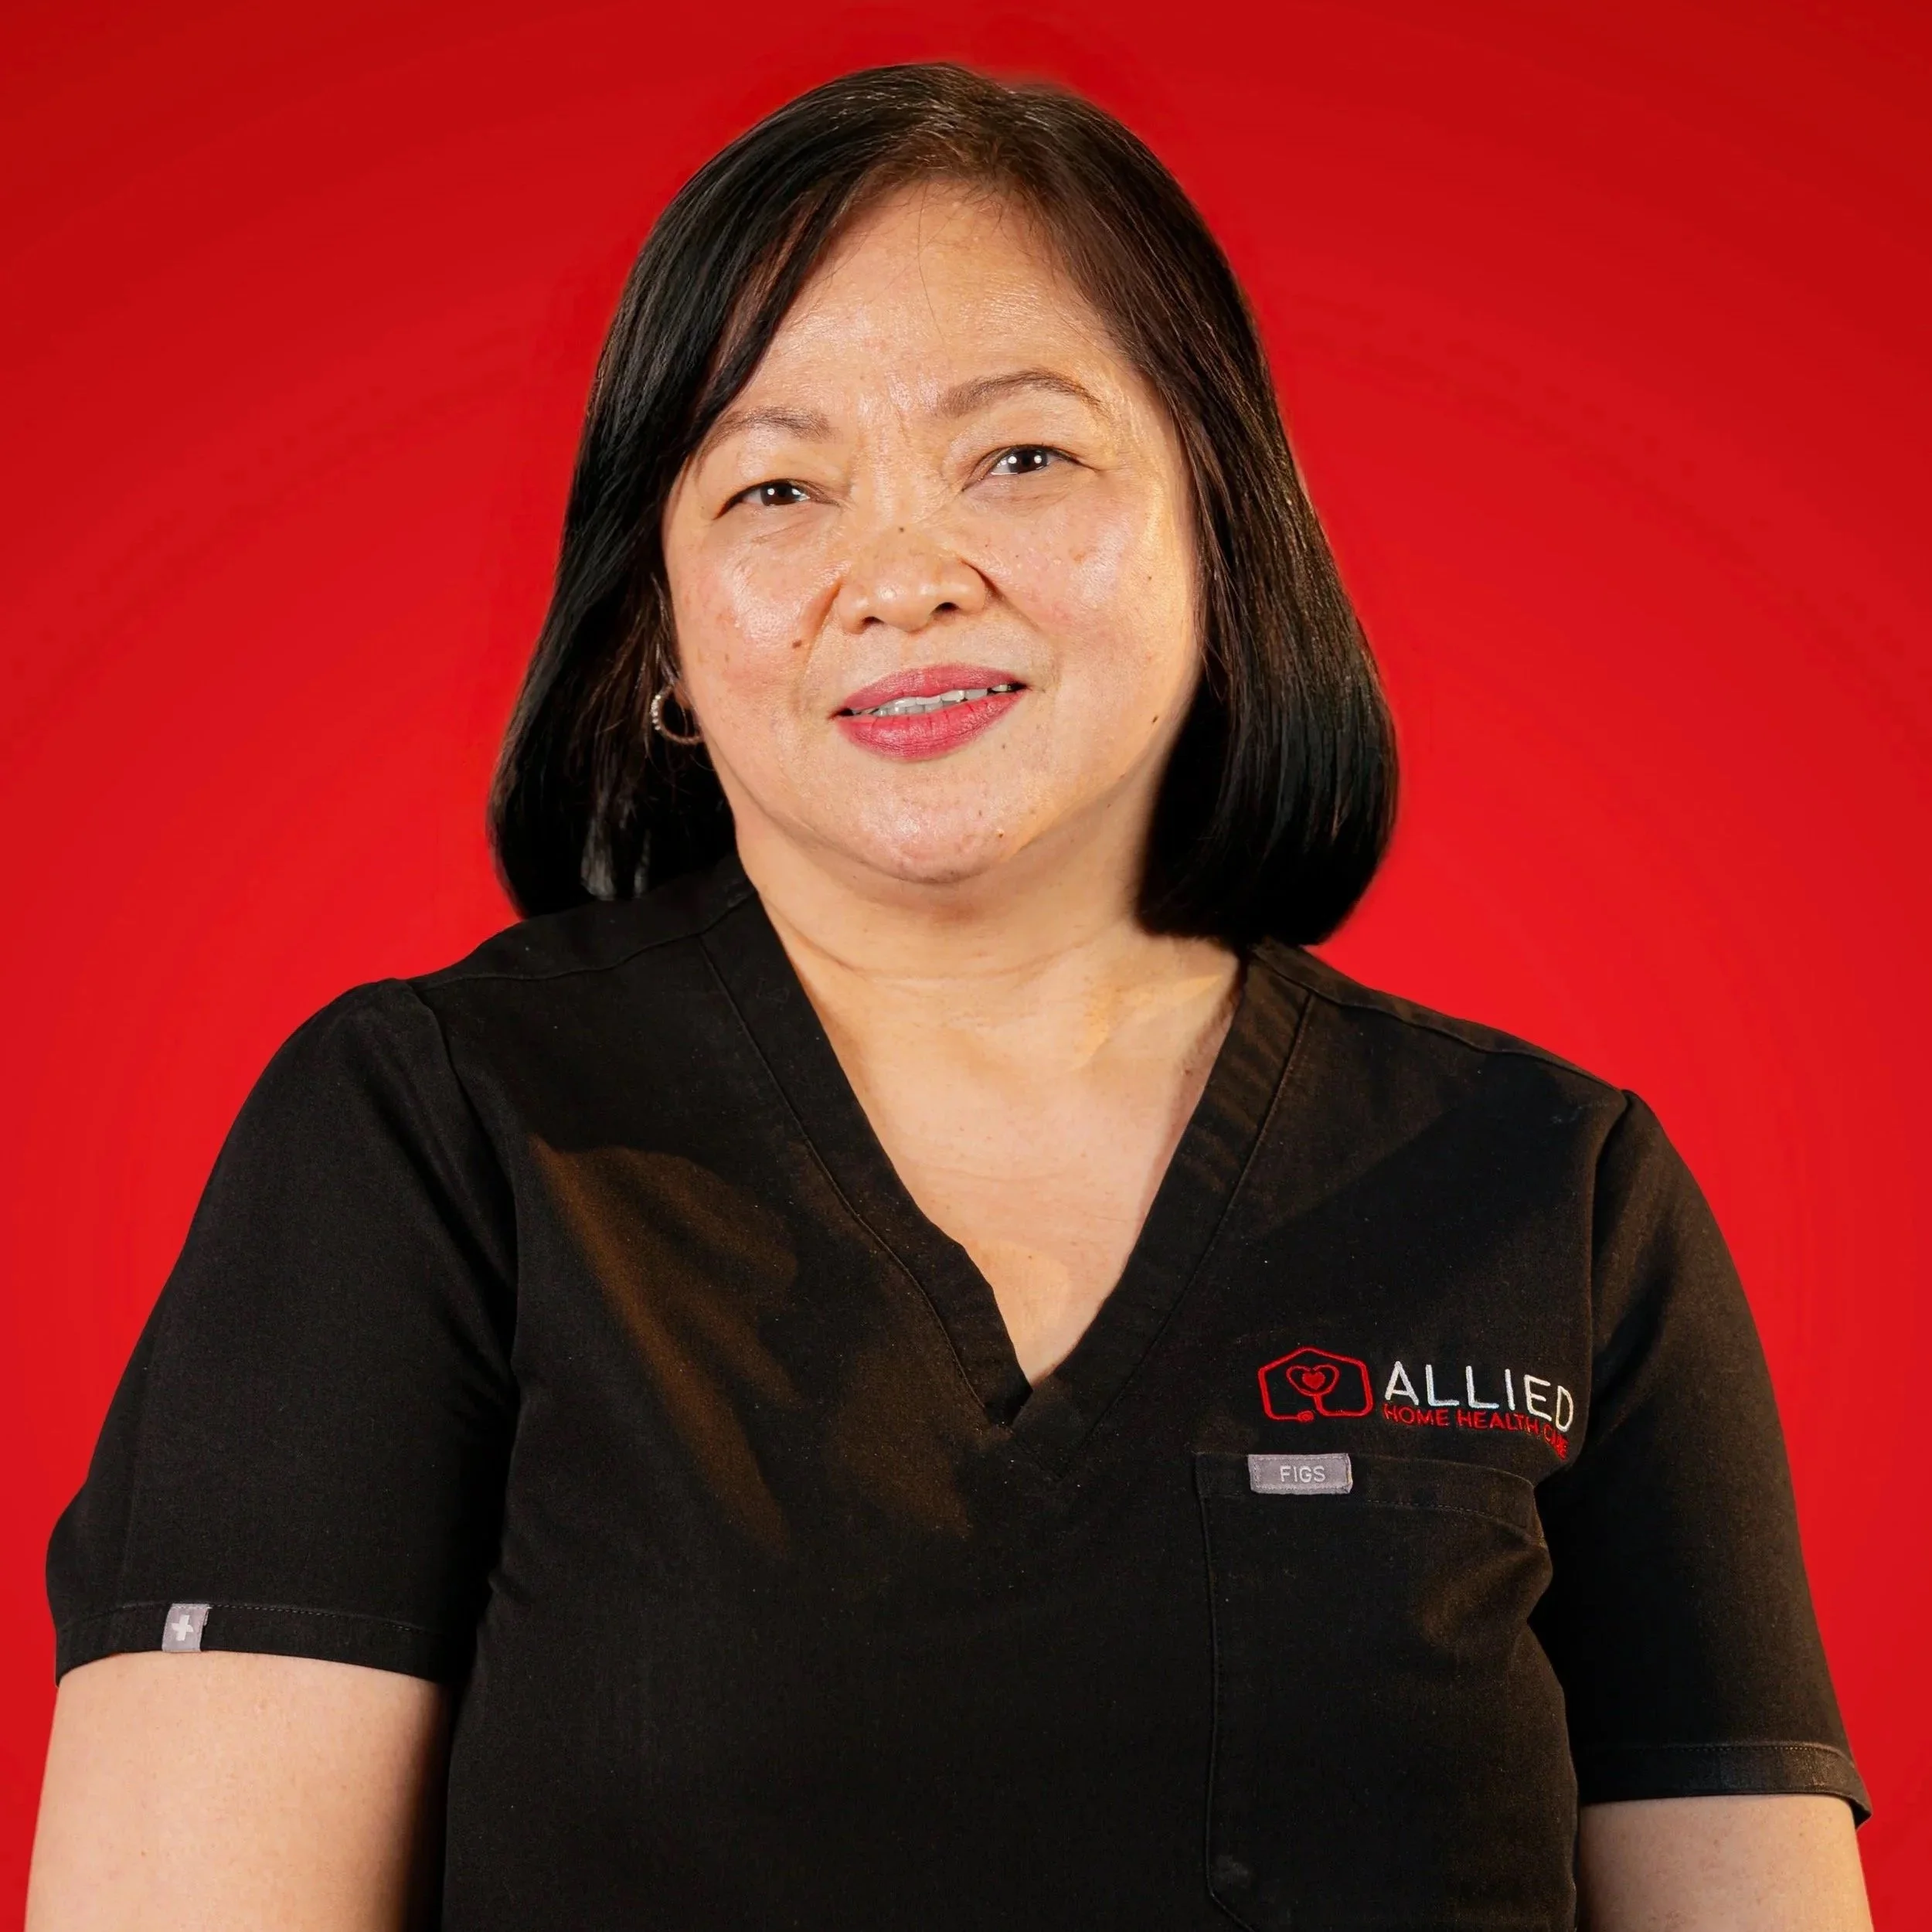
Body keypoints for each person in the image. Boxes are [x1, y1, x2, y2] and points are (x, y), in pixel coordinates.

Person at [27, 62, 1871, 1932]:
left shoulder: (1551, 1194)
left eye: (1021, 455)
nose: (901, 576)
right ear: (661, 628)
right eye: (773, 484)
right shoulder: (425, 1139)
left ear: (1222, 527)